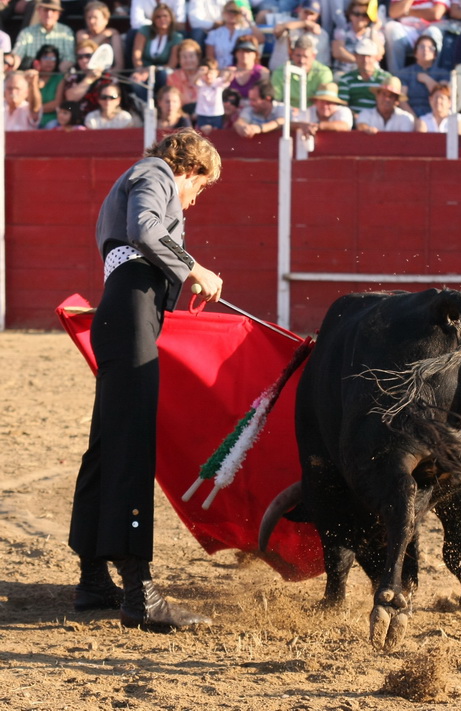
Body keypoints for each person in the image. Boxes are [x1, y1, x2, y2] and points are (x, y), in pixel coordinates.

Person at [69, 129, 223, 632]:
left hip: (127, 310)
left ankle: (94, 579)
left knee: (108, 444)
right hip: (132, 311)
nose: (197, 201)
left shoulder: (138, 178)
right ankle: (140, 592)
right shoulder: (154, 173)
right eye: (200, 188)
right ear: (190, 170)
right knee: (131, 444)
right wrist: (194, 266)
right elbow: (145, 230)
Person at [383, 0, 449, 75]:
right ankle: (396, 78)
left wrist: (408, 12)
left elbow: (436, 13)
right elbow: (393, 13)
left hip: (430, 27)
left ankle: (431, 76)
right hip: (406, 30)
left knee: (433, 32)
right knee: (391, 27)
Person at [131, 2, 184, 93]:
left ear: (171, 18)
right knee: (135, 81)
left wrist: (151, 70)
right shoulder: (144, 30)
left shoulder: (176, 37)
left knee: (165, 74)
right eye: (158, 17)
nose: (162, 19)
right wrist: (140, 69)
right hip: (143, 69)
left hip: (162, 72)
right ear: (153, 19)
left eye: (165, 16)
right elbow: (137, 54)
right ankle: (145, 105)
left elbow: (172, 64)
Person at [271, 34, 333, 109]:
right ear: (292, 55)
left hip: (315, 113)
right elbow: (277, 100)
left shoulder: (323, 72)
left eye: (305, 56)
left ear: (313, 56)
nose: (302, 60)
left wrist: (305, 113)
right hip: (287, 112)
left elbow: (324, 101)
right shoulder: (280, 72)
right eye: (298, 55)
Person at [12, 0, 75, 72]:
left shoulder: (66, 32)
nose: (49, 14)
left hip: (56, 77)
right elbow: (17, 55)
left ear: (59, 13)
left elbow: (70, 58)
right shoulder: (27, 32)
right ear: (38, 10)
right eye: (46, 10)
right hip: (30, 74)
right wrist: (11, 63)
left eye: (53, 10)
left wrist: (58, 75)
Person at [269, 0, 331, 71]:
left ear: (318, 15)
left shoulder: (322, 35)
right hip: (279, 73)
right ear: (300, 10)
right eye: (306, 12)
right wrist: (304, 23)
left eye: (312, 14)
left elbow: (324, 64)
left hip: (306, 76)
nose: (308, 17)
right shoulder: (287, 21)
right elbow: (276, 30)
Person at [397, 34, 449, 118]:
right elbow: (402, 100)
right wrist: (414, 118)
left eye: (430, 48)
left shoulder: (443, 73)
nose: (425, 50)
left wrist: (427, 79)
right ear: (415, 53)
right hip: (410, 114)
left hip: (436, 115)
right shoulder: (405, 73)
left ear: (435, 54)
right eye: (421, 47)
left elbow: (443, 95)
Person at [337, 36, 391, 116]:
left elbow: (388, 104)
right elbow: (343, 106)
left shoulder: (386, 78)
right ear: (355, 56)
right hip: (353, 124)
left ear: (376, 58)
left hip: (378, 122)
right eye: (362, 56)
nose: (365, 60)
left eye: (369, 56)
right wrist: (357, 119)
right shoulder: (345, 79)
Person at [63, 40, 115, 122]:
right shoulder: (73, 76)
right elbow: (71, 97)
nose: (84, 60)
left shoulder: (108, 78)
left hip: (103, 122)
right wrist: (89, 79)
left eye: (88, 56)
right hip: (78, 123)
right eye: (80, 57)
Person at [331, 0, 384, 77]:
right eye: (356, 14)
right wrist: (361, 62)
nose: (360, 17)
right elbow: (338, 53)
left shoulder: (374, 33)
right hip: (345, 73)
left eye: (364, 15)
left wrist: (374, 30)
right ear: (350, 15)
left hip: (369, 73)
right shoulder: (342, 30)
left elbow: (379, 54)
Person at [205, 1, 264, 69]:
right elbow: (210, 58)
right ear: (223, 13)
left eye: (236, 12)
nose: (232, 15)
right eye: (229, 11)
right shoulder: (214, 34)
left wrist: (249, 20)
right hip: (220, 71)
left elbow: (261, 39)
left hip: (240, 71)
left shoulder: (245, 31)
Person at [76, 0, 125, 72]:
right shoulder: (82, 34)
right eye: (89, 18)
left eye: (95, 17)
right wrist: (103, 35)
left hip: (108, 76)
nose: (91, 21)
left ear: (106, 19)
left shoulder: (113, 35)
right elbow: (85, 49)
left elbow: (119, 65)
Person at [195, 57, 234, 131]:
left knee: (217, 134)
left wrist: (231, 72)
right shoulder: (201, 83)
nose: (208, 76)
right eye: (206, 74)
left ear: (217, 73)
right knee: (201, 134)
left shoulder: (218, 82)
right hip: (202, 115)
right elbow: (193, 82)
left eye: (211, 73)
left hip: (217, 114)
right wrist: (199, 73)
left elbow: (227, 80)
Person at [167, 38, 204, 117]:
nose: (188, 60)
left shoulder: (206, 75)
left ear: (198, 58)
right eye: (184, 57)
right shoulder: (173, 77)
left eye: (191, 56)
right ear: (179, 60)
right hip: (182, 115)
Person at [228, 35, 269, 105]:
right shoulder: (228, 71)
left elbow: (264, 98)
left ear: (255, 54)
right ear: (235, 53)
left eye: (248, 51)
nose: (244, 55)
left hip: (253, 110)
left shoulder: (262, 72)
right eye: (241, 51)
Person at [33, 43, 64, 128]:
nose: (49, 61)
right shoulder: (32, 76)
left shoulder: (59, 78)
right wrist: (34, 78)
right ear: (38, 60)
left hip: (52, 119)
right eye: (45, 58)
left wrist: (36, 111)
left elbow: (56, 104)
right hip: (31, 118)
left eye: (53, 58)